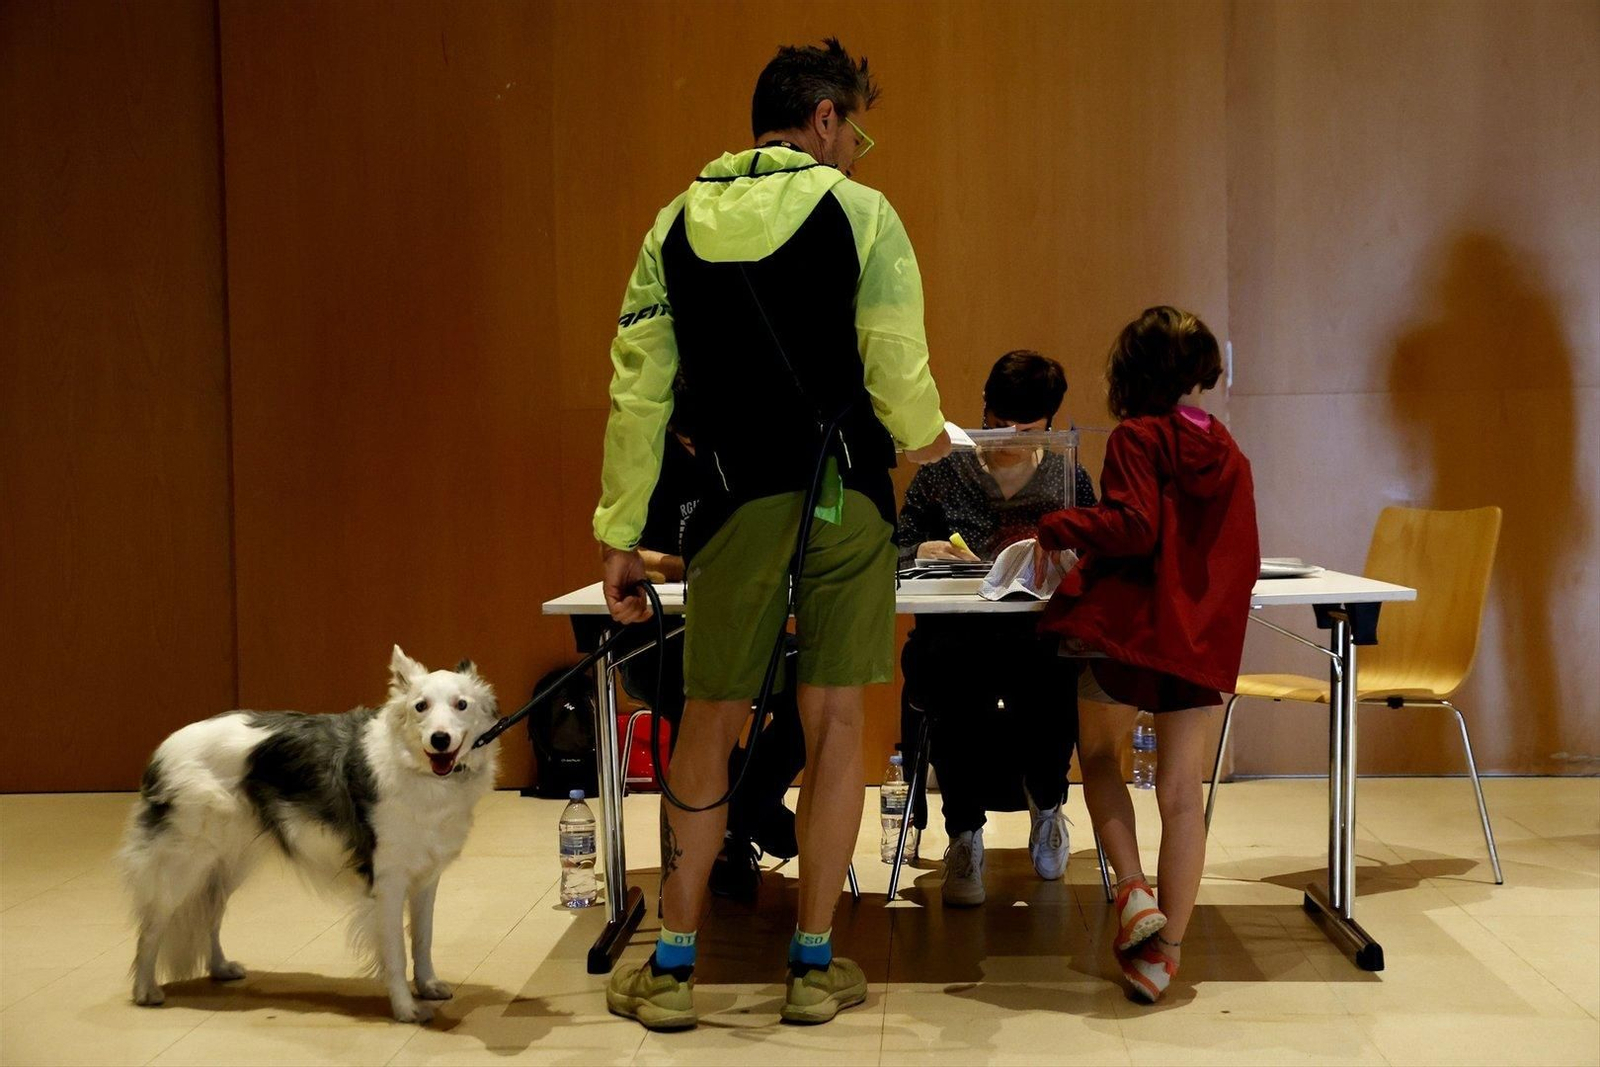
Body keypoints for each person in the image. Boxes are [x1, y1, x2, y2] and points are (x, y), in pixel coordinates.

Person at [593, 38, 951, 1030]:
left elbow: (638, 394)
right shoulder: (861, 214)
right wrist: (927, 442)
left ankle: (670, 964)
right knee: (836, 718)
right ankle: (810, 961)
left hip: (731, 501)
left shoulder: (673, 224)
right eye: (855, 130)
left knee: (709, 716)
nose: (856, 151)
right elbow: (895, 366)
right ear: (826, 118)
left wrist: (622, 533)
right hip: (845, 497)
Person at [1033, 306, 1259, 1003]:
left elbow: (1132, 527)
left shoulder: (1136, 436)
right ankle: (1166, 956)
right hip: (1193, 644)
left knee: (1098, 757)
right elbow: (1240, 554)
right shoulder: (1224, 449)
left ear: (1129, 372)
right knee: (1182, 794)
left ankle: (1132, 889)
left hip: (1130, 635)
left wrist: (1057, 523)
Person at [896, 351, 1098, 906]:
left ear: (1050, 426)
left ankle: (1048, 806)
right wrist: (923, 549)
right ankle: (963, 835)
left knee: (1054, 682)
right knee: (951, 685)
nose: (1008, 437)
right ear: (983, 411)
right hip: (958, 630)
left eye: (1026, 429)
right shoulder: (944, 468)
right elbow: (895, 543)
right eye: (998, 423)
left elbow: (1096, 547)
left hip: (1038, 630)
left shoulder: (1066, 472)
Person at [619, 376, 807, 901]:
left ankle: (742, 812)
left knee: (812, 692)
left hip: (753, 628)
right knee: (694, 702)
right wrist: (696, 565)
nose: (697, 448)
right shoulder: (653, 465)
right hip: (666, 639)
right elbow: (635, 554)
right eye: (686, 439)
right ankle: (738, 825)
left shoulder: (755, 458)